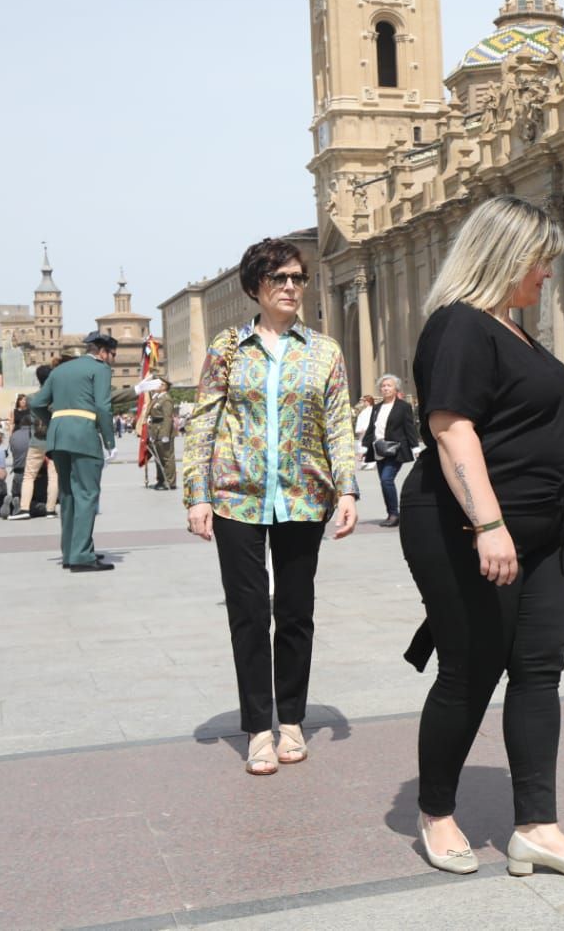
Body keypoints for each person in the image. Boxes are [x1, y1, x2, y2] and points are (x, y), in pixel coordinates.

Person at [397, 195, 564, 878]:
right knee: (469, 671)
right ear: (505, 255)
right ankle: (435, 813)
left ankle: (536, 827)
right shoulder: (459, 325)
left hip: (542, 530)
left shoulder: (511, 330)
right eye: (541, 260)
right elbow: (451, 426)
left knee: (540, 672)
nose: (547, 274)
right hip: (464, 525)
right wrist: (490, 526)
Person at [182, 236, 359, 776]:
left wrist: (347, 488)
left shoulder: (323, 351)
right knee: (249, 613)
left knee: (296, 613)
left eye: (298, 278)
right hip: (237, 495)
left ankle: (292, 722)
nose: (290, 287)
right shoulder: (228, 348)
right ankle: (259, 727)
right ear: (256, 286)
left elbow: (339, 424)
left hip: (304, 497)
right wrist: (197, 494)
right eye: (279, 278)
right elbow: (204, 421)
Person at [31, 334, 118, 570]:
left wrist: (55, 422)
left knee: (68, 495)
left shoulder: (60, 370)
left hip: (58, 437)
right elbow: (102, 405)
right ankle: (81, 555)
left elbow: (36, 403)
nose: (112, 361)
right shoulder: (100, 369)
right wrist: (110, 441)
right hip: (84, 435)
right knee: (88, 494)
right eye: (113, 355)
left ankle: (72, 551)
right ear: (103, 352)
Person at [364, 374, 420, 527]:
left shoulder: (404, 407)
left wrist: (415, 447)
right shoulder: (377, 407)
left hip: (396, 449)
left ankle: (394, 514)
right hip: (379, 449)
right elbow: (371, 428)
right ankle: (391, 513)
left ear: (396, 389)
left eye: (389, 385)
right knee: (384, 482)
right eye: (383, 386)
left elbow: (410, 428)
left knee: (386, 479)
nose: (385, 388)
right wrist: (364, 446)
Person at [12, 362, 61, 520]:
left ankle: (24, 508)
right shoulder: (57, 398)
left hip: (37, 440)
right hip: (54, 440)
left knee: (29, 475)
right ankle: (51, 509)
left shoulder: (32, 398)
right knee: (54, 476)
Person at [144, 378, 178, 490]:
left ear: (165, 386)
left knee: (167, 458)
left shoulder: (166, 399)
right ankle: (161, 480)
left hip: (163, 430)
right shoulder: (156, 398)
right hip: (155, 431)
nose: (157, 386)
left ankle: (170, 482)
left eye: (160, 384)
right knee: (158, 458)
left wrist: (165, 435)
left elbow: (168, 418)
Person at [354, 394, 378, 470]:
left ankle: (369, 461)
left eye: (364, 401)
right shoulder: (365, 410)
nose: (363, 402)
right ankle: (365, 461)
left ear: (368, 402)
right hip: (363, 430)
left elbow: (369, 421)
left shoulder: (372, 410)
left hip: (367, 430)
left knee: (365, 445)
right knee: (362, 445)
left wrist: (365, 429)